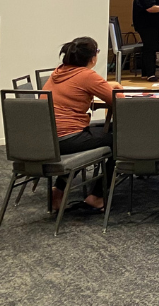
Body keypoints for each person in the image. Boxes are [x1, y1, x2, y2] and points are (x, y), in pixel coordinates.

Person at [43, 37, 123, 211]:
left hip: (47, 139)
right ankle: (97, 196)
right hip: (68, 138)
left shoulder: (58, 72)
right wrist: (116, 89)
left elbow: (75, 88)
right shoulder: (87, 76)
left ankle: (59, 190)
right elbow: (119, 102)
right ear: (92, 58)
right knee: (118, 139)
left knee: (96, 133)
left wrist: (106, 85)